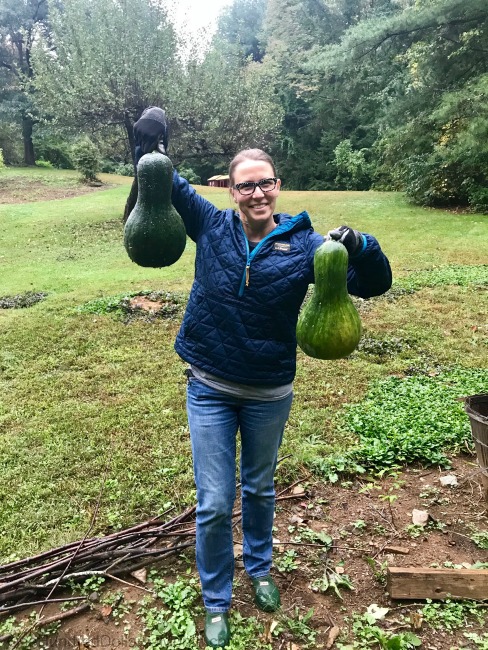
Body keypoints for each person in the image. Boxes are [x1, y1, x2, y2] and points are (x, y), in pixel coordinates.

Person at [131, 107, 392, 648]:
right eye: (246, 186)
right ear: (230, 191)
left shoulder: (308, 249)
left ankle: (261, 569)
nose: (257, 194)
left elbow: (372, 285)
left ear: (278, 186)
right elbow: (161, 177)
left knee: (258, 487)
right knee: (214, 501)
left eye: (265, 184)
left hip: (269, 390)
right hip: (208, 385)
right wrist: (147, 139)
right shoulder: (209, 224)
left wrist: (363, 244)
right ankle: (218, 601)